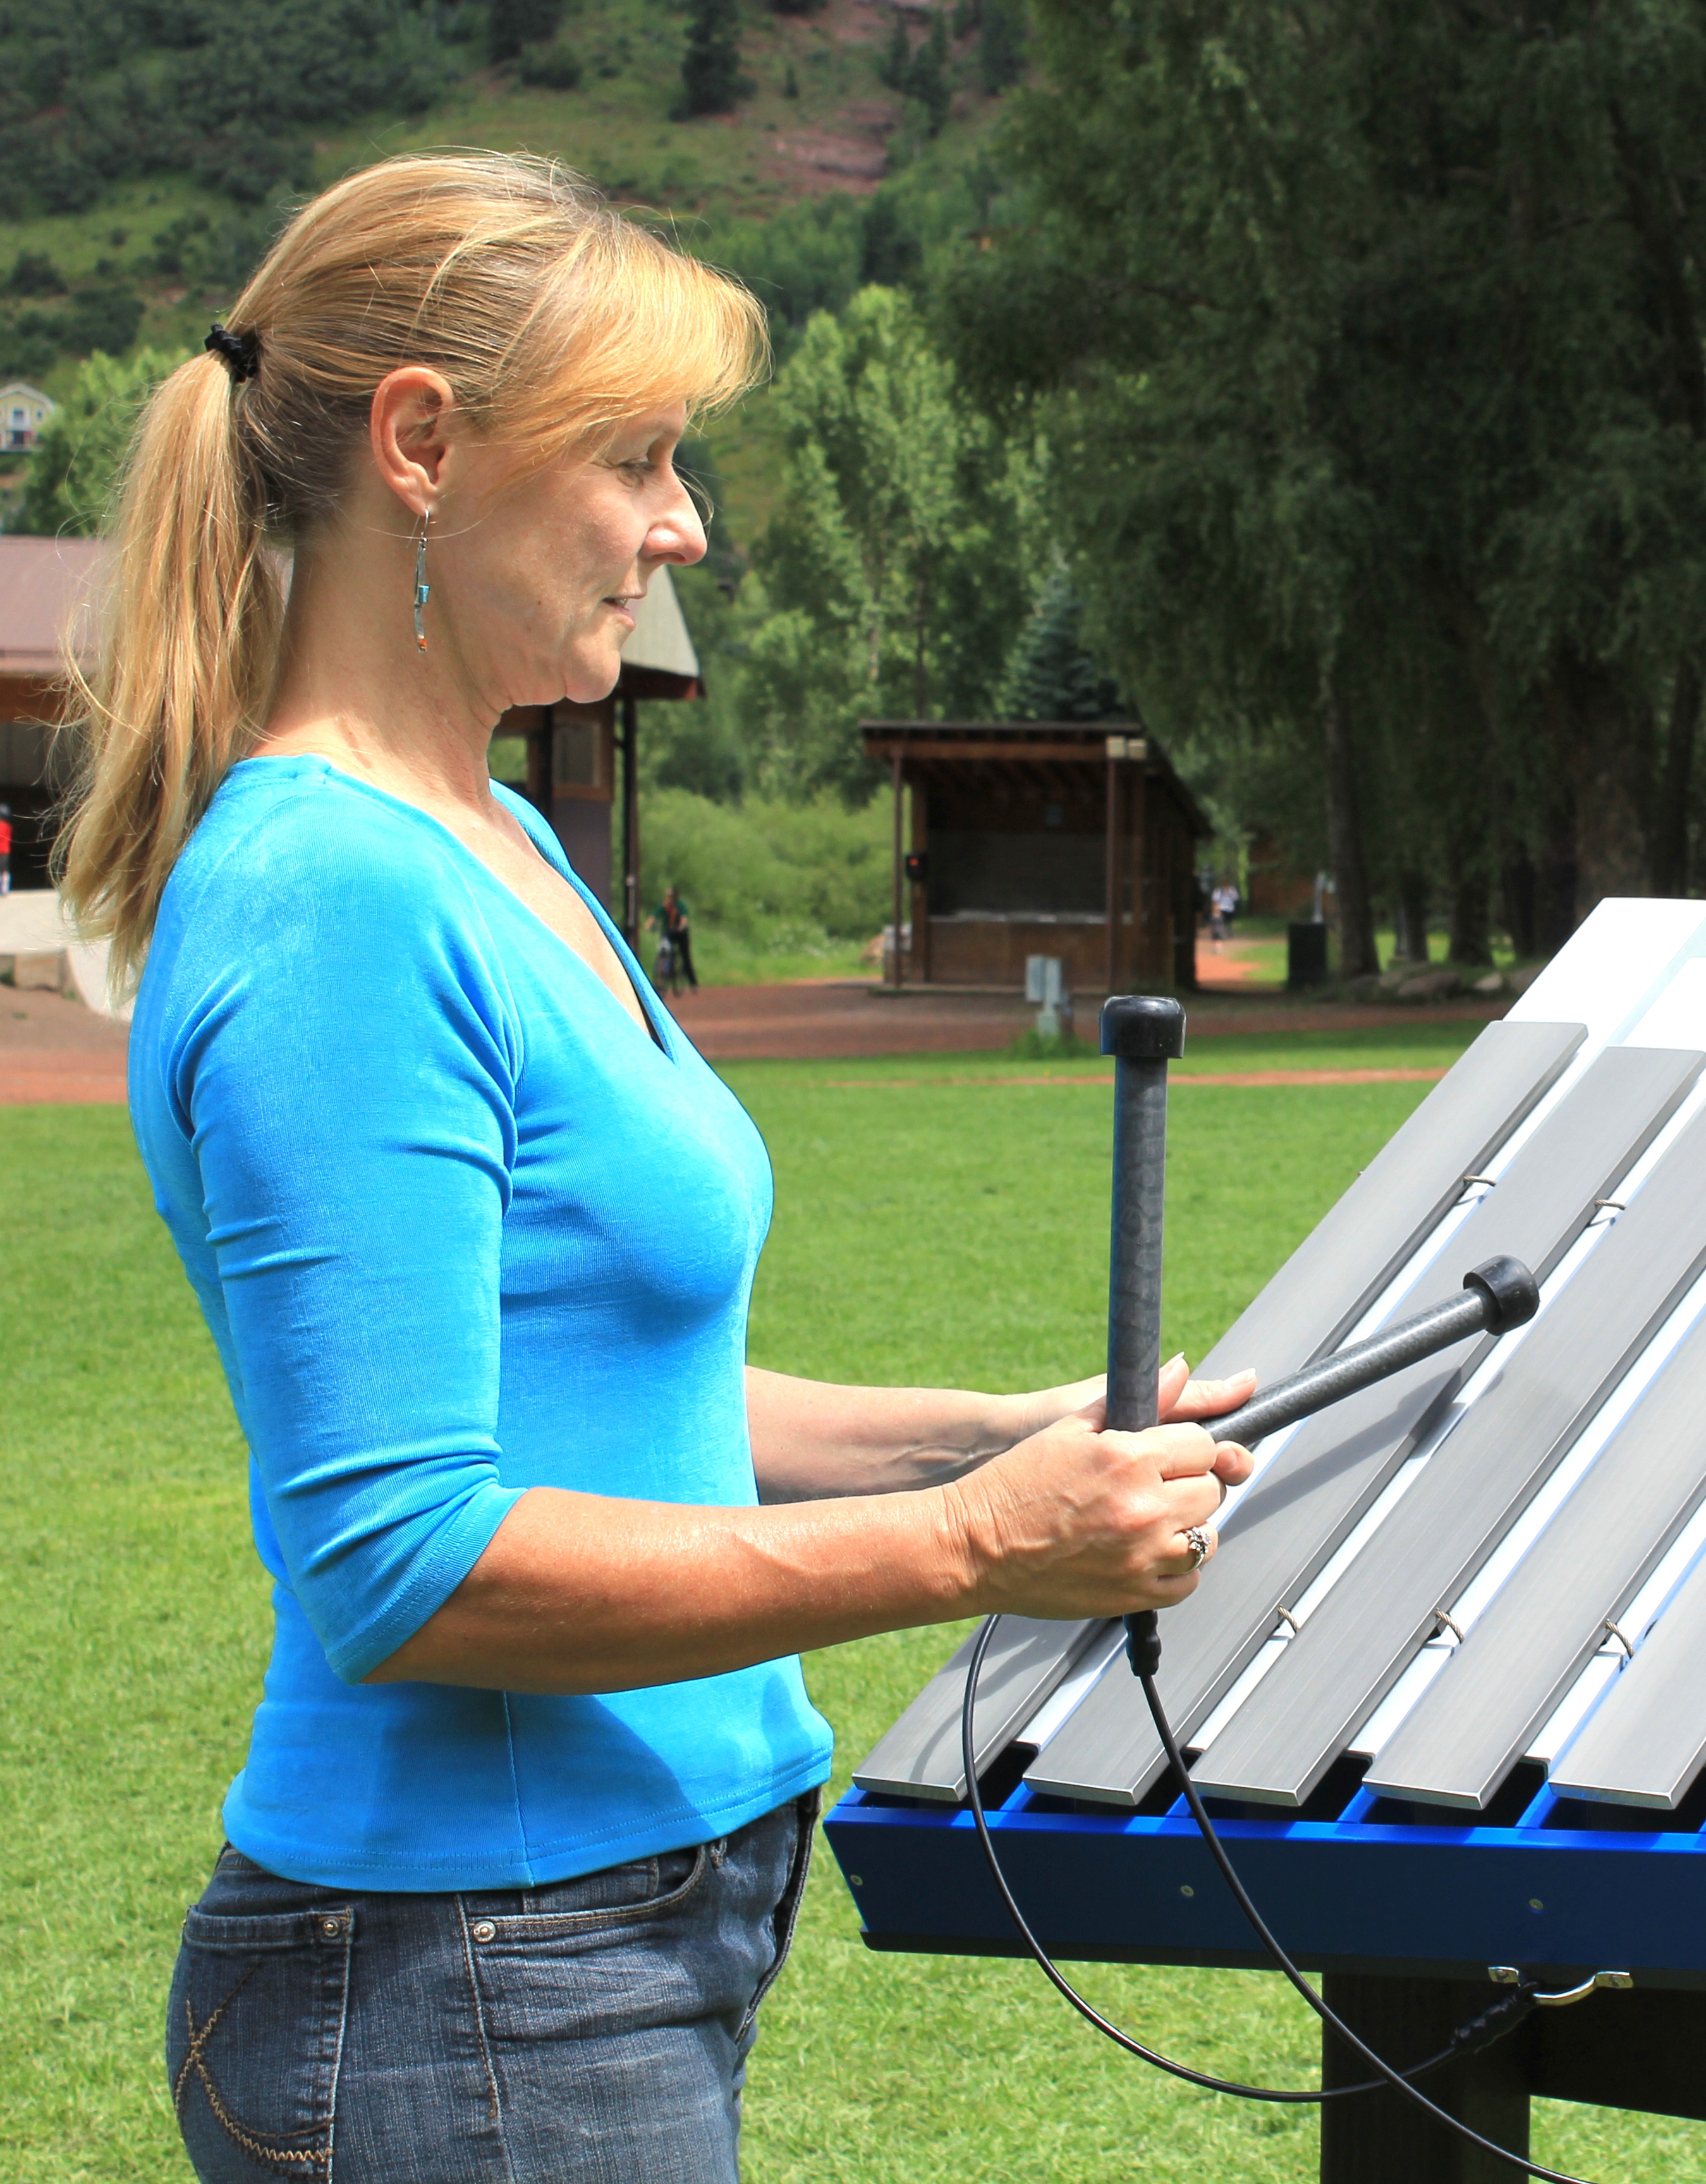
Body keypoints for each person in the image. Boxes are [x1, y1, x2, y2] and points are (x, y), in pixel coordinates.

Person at [56, 152, 1257, 2183]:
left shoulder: (501, 845)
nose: (680, 524)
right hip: (470, 1979)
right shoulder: (331, 899)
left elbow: (612, 1394)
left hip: (595, 1951)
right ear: (421, 444)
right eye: (638, 457)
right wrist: (974, 1551)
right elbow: (408, 1559)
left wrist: (1000, 1433)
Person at [659, 881, 698, 992]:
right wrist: (650, 924)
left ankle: (693, 983)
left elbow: (684, 919)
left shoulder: (681, 906)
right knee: (664, 949)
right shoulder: (666, 906)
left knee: (685, 957)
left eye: (670, 896)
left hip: (681, 934)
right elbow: (656, 915)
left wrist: (681, 927)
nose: (669, 898)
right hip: (670, 933)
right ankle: (663, 973)